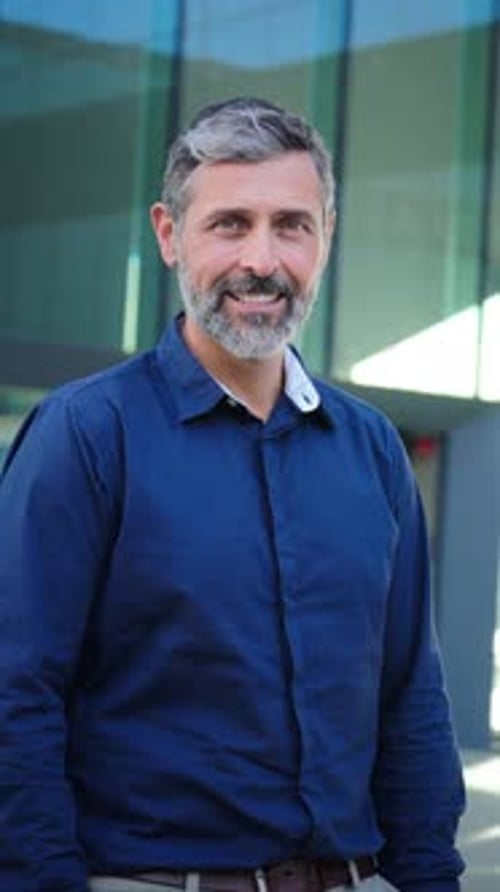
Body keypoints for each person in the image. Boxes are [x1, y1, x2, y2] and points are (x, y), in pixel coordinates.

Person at [0, 97, 465, 892]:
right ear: (169, 234)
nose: (262, 259)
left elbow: (409, 693)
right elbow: (15, 692)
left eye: (292, 225)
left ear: (325, 238)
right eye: (229, 224)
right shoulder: (87, 434)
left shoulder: (372, 448)